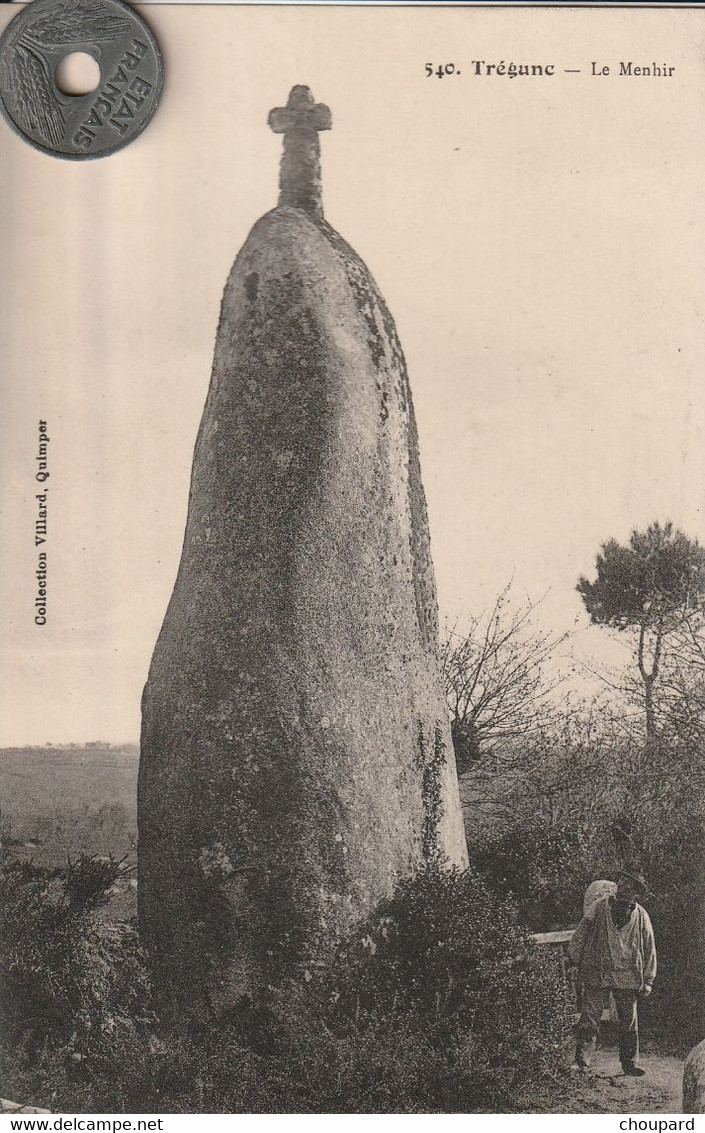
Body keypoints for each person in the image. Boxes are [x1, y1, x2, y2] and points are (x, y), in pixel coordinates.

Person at [567, 865, 656, 1076]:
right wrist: (574, 961)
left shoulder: (642, 916)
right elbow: (581, 934)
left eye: (630, 886)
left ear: (636, 892)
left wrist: (649, 980)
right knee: (589, 1017)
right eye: (622, 882)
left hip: (627, 974)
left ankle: (630, 1064)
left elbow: (649, 947)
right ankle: (581, 1062)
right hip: (598, 971)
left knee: (628, 1021)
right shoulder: (599, 907)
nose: (624, 887)